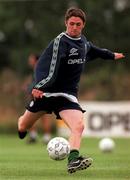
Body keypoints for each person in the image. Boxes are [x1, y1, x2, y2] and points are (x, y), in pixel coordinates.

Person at [18, 7, 125, 173]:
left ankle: (73, 160)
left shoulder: (82, 42)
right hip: (46, 93)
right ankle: (22, 128)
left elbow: (94, 50)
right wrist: (37, 87)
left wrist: (111, 55)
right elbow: (45, 68)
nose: (74, 27)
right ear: (66, 23)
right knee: (24, 125)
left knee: (79, 125)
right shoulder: (60, 42)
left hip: (67, 95)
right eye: (71, 24)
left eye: (78, 24)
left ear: (83, 25)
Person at [25, 54, 53, 144]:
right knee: (32, 115)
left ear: (36, 60)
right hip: (35, 96)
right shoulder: (36, 69)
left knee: (44, 116)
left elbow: (41, 82)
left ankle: (46, 136)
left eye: (31, 59)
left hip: (41, 95)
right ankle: (35, 135)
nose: (29, 61)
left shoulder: (41, 68)